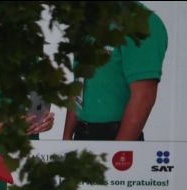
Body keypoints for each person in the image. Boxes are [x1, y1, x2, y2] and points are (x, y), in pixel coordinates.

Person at [63, 7, 167, 141]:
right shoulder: (88, 24)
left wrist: (118, 150)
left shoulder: (141, 22)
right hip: (81, 134)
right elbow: (79, 85)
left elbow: (144, 97)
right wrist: (66, 139)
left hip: (116, 137)